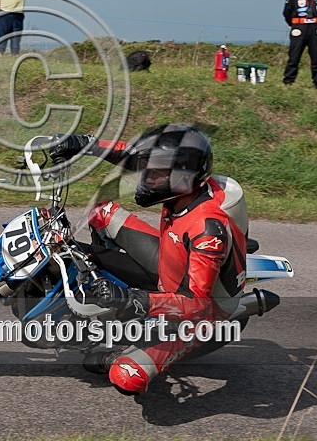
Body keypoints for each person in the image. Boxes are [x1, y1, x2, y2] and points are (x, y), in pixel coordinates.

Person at [50, 125, 247, 395]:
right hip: (170, 261)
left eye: (155, 174)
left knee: (126, 377)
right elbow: (130, 154)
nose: (145, 178)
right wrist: (81, 143)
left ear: (182, 176)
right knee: (102, 212)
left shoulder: (207, 229)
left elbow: (198, 304)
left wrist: (134, 299)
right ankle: (109, 301)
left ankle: (117, 350)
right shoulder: (184, 189)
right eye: (148, 170)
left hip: (198, 312)